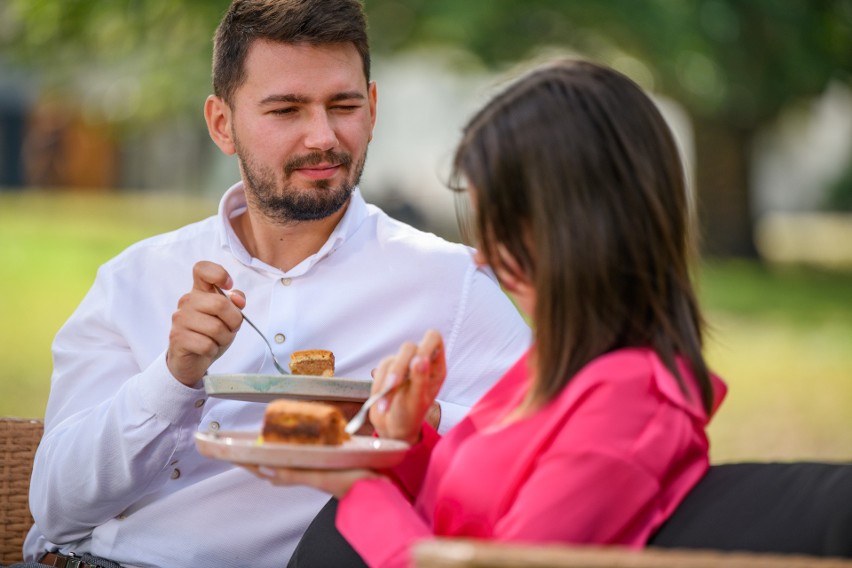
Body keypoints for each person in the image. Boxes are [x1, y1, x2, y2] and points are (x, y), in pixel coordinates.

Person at [19, 1, 530, 567]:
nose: (322, 138)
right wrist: (172, 378)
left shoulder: (449, 283)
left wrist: (426, 421)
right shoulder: (135, 279)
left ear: (373, 107)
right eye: (286, 110)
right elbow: (55, 507)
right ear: (222, 124)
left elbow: (543, 451)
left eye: (343, 105)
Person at [247, 59, 728, 568]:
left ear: (577, 230)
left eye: (499, 229)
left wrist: (358, 483)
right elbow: (471, 509)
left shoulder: (631, 412)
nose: (481, 256)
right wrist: (405, 438)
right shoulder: (562, 367)